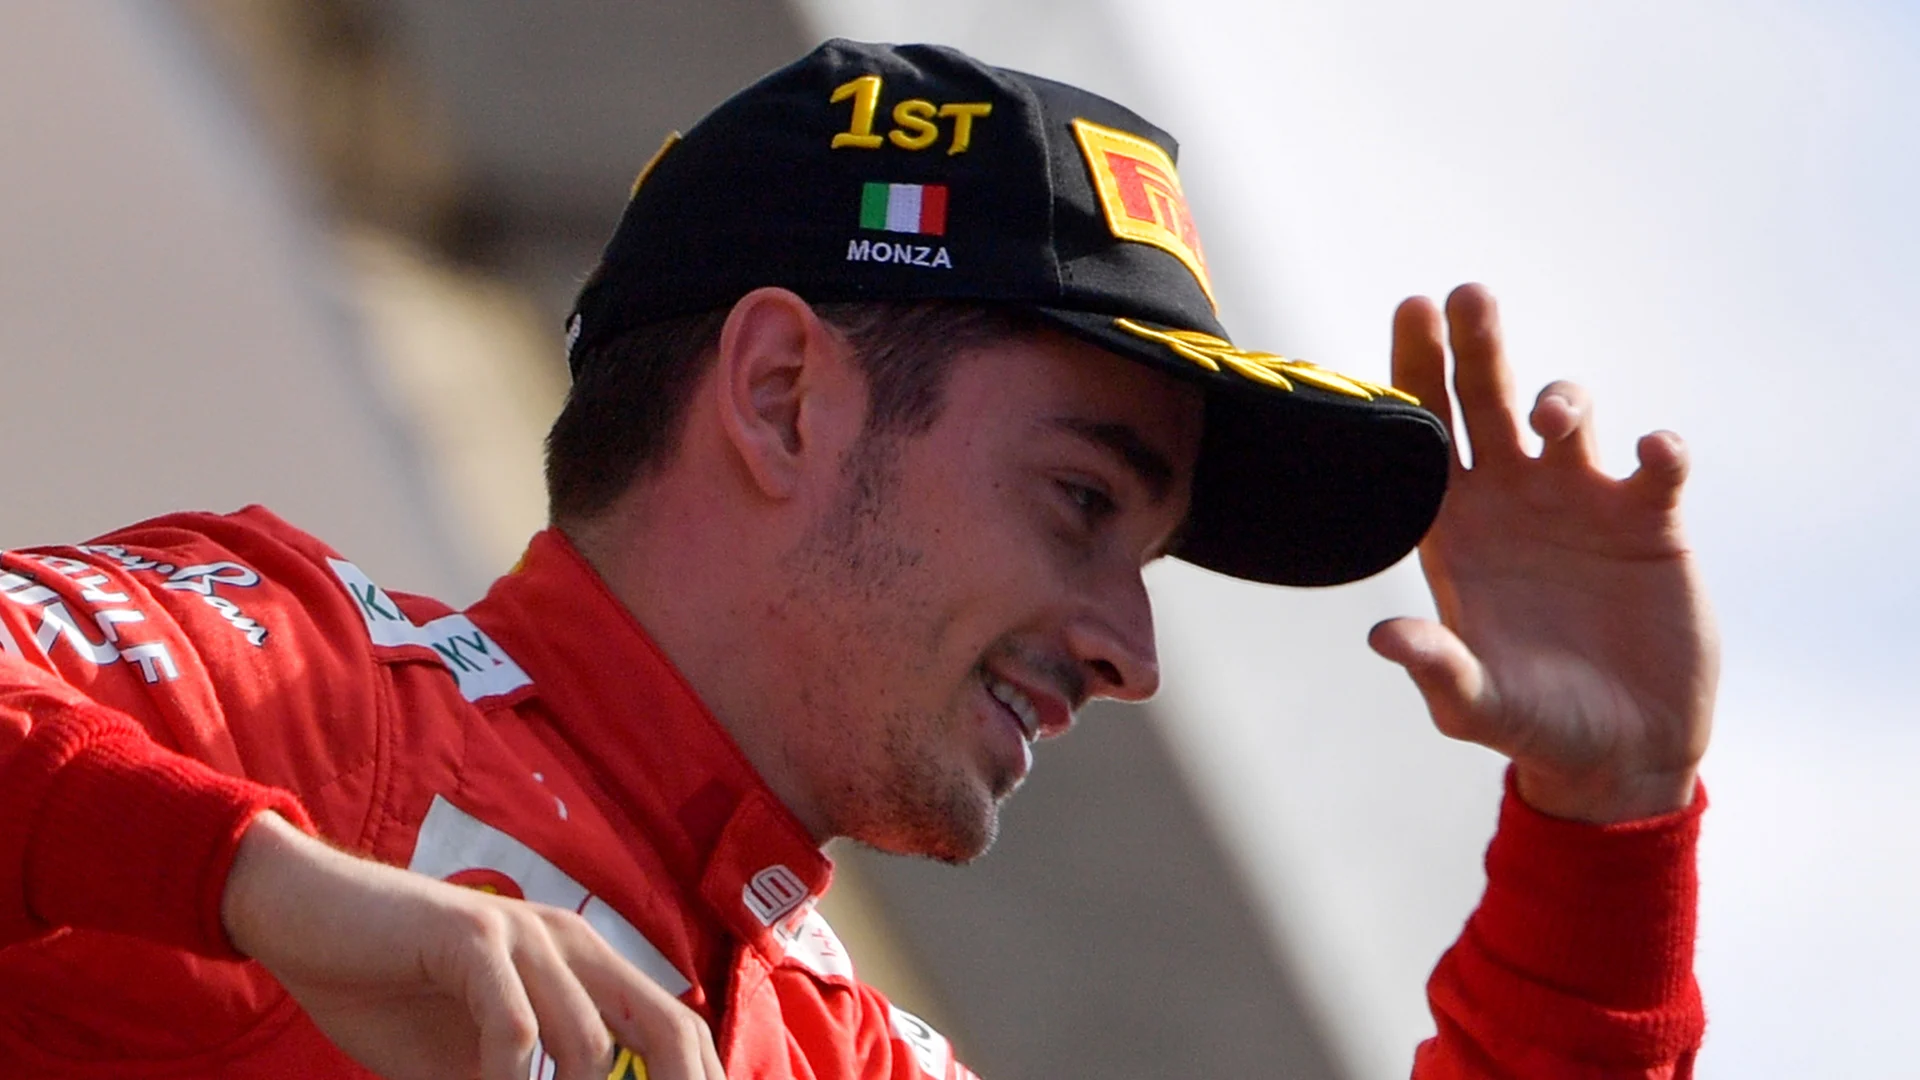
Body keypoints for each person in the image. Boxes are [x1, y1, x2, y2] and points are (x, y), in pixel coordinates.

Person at [0, 39, 1713, 1080]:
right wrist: (258, 879)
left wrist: (1609, 829)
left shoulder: (841, 1048)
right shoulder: (303, 688)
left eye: (1158, 550)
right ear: (779, 394)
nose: (1133, 646)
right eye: (1083, 502)